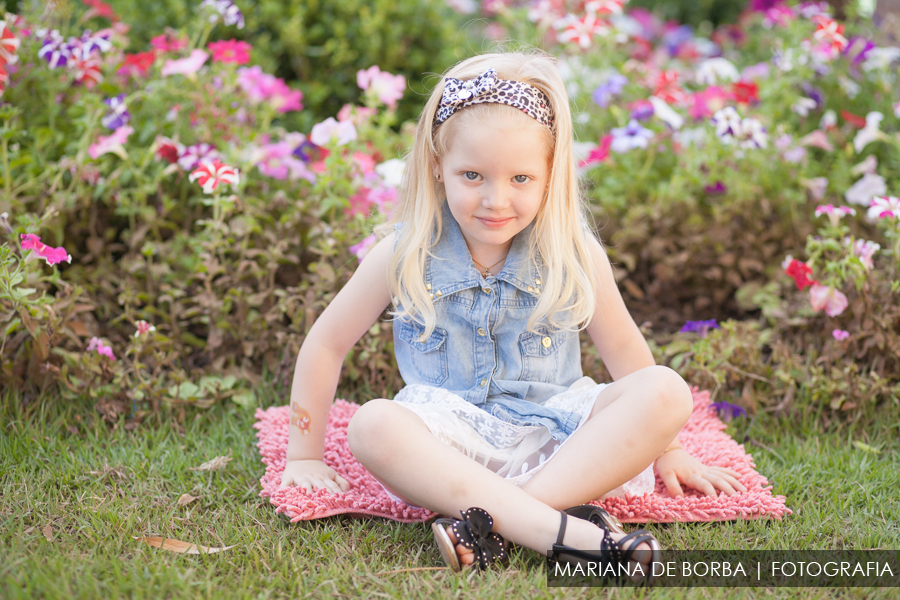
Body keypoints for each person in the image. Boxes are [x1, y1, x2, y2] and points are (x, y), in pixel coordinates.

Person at [279, 50, 746, 577]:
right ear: (438, 165)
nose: (495, 200)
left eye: (520, 179)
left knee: (665, 391)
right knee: (372, 425)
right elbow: (326, 343)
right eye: (473, 175)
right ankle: (569, 532)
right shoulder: (405, 252)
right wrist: (304, 456)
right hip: (448, 446)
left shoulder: (573, 253)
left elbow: (627, 356)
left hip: (562, 444)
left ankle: (496, 524)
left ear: (550, 174)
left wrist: (669, 448)